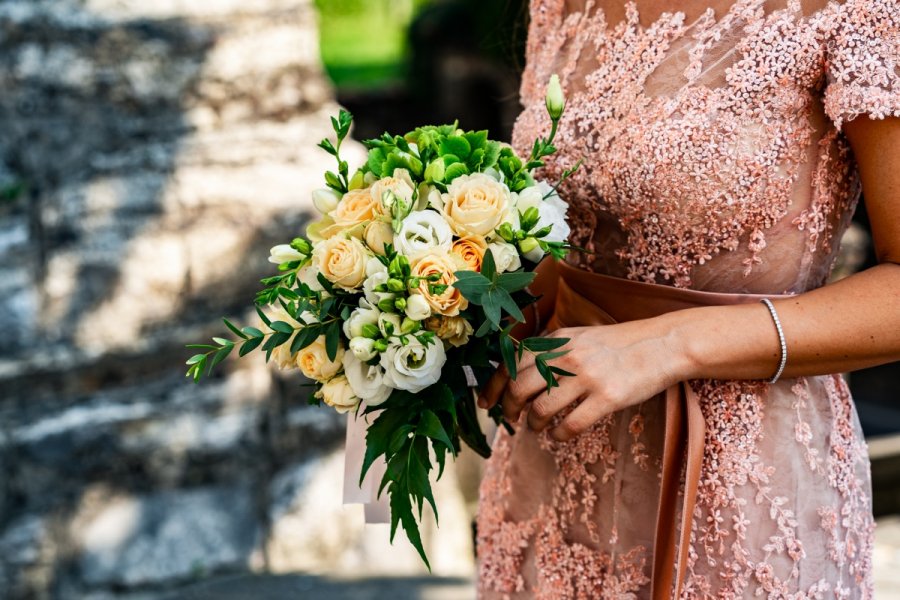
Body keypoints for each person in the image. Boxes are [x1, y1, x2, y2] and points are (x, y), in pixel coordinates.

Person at [475, 0, 900, 597]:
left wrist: (668, 344)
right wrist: (450, 308)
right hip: (554, 454)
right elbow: (574, 239)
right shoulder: (560, 6)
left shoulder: (861, 13)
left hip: (739, 482)